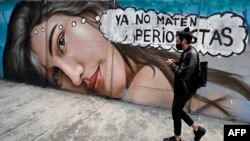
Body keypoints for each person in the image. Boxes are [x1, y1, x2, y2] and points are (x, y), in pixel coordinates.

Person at [3, 0, 250, 124]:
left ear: (90, 12)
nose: (75, 75)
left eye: (61, 42)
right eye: (55, 75)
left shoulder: (147, 83)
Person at [164, 28, 205, 141]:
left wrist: (171, 66)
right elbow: (184, 66)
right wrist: (175, 62)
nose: (176, 44)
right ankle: (197, 130)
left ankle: (177, 139)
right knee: (178, 110)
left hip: (185, 89)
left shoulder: (190, 54)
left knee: (175, 112)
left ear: (184, 41)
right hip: (184, 88)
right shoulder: (188, 51)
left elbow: (183, 74)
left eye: (178, 42)